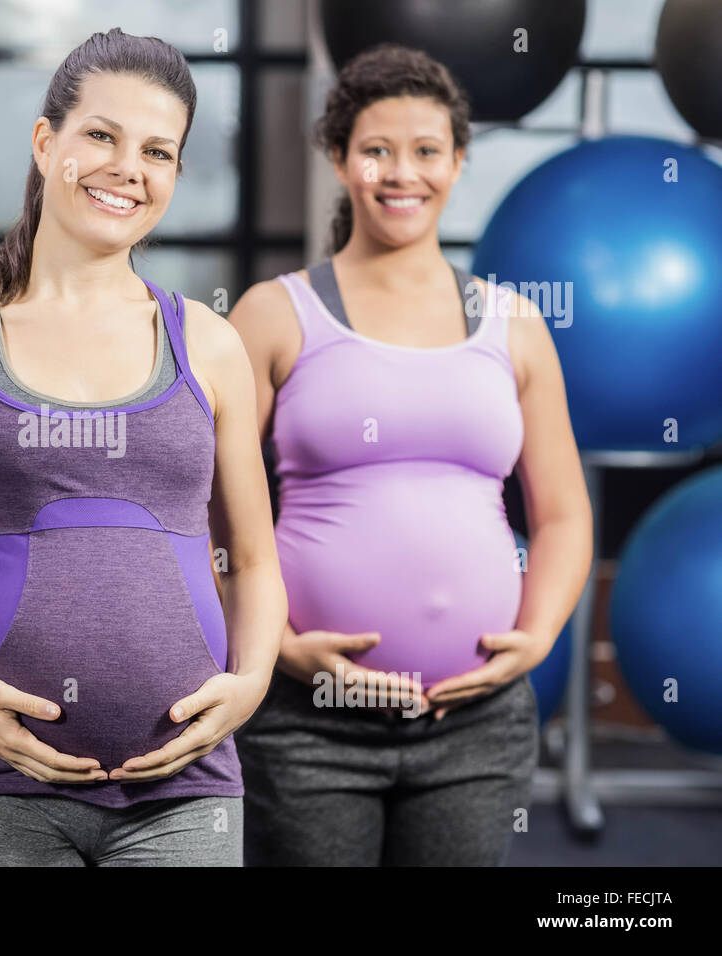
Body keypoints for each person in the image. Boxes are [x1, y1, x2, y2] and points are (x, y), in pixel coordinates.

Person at [0, 28, 286, 867]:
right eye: (101, 136)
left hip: (182, 792)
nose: (127, 169)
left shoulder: (209, 344)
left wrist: (250, 684)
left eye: (158, 151)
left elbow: (253, 559)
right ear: (47, 144)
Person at [229, 45, 593, 866]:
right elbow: (208, 512)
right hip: (308, 717)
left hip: (477, 725)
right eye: (376, 150)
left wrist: (536, 637)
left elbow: (564, 512)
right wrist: (276, 646)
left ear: (458, 162)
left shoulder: (516, 324)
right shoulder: (272, 314)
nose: (403, 173)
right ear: (339, 158)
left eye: (427, 151)